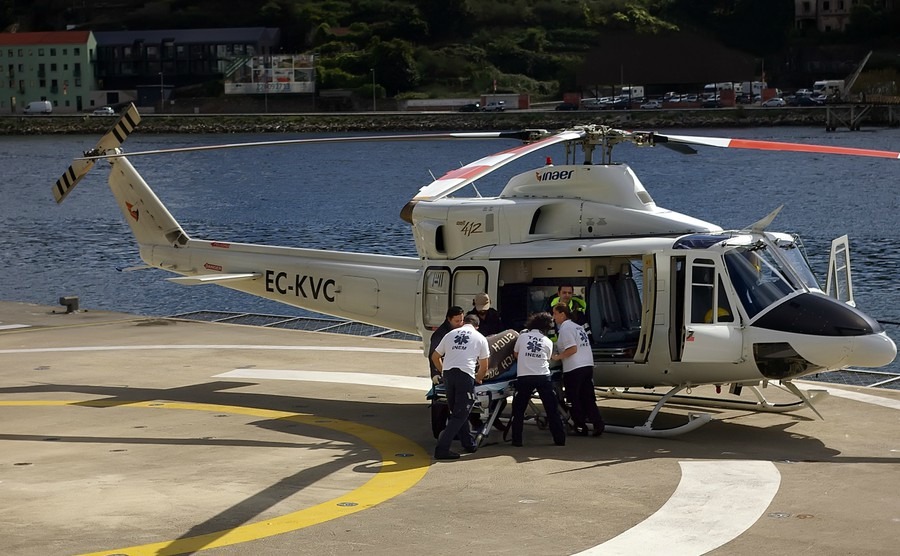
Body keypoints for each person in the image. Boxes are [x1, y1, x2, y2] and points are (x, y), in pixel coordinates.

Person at [431, 313, 490, 460]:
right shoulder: (480, 338)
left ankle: (468, 443)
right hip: (465, 375)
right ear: (477, 326)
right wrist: (478, 379)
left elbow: (435, 356)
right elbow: (484, 367)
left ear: (464, 323)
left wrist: (443, 371)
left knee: (457, 411)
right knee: (461, 414)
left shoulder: (450, 334)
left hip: (449, 375)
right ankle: (442, 449)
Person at [510, 312, 566, 447]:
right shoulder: (547, 341)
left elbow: (516, 354)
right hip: (543, 376)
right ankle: (559, 439)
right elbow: (547, 358)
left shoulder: (522, 337)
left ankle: (517, 440)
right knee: (552, 409)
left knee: (518, 410)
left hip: (524, 377)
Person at [551, 303, 604, 437]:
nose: (553, 317)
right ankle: (598, 424)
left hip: (574, 368)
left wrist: (558, 357)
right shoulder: (578, 327)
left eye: (555, 314)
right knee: (588, 397)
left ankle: (580, 426)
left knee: (573, 398)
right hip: (587, 364)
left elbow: (572, 348)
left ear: (562, 314)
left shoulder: (565, 329)